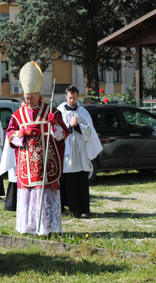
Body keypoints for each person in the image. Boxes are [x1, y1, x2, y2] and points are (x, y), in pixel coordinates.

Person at [6, 61, 69, 236]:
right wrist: (21, 133)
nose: (28, 101)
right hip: (27, 160)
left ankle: (48, 227)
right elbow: (10, 135)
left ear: (38, 94)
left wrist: (54, 124)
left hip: (46, 161)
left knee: (46, 193)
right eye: (26, 98)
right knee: (28, 194)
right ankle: (28, 227)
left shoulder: (51, 111)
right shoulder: (18, 115)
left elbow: (62, 134)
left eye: (31, 97)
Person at [57, 86, 102, 218]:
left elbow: (89, 131)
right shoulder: (59, 111)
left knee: (80, 181)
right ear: (66, 97)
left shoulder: (83, 112)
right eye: (70, 98)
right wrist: (70, 125)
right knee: (67, 181)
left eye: (74, 98)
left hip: (80, 151)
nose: (72, 100)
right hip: (66, 153)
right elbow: (57, 131)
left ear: (78, 97)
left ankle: (83, 209)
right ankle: (68, 207)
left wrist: (78, 126)